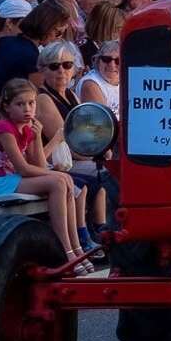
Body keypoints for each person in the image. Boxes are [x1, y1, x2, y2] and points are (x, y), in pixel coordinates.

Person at [0, 79, 89, 271]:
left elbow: (38, 165)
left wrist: (36, 137)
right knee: (59, 182)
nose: (27, 109)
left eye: (31, 103)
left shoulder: (27, 128)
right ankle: (65, 251)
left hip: (9, 179)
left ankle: (77, 248)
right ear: (7, 107)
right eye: (20, 104)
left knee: (63, 180)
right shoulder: (4, 128)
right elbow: (24, 169)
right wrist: (58, 176)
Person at [35, 40, 108, 238]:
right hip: (58, 162)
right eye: (54, 66)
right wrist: (95, 157)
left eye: (67, 65)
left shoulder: (70, 95)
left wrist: (101, 150)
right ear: (42, 70)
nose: (62, 71)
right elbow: (66, 140)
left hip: (76, 157)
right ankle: (94, 230)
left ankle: (101, 227)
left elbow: (86, 131)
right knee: (105, 173)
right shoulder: (43, 99)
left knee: (109, 169)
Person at [0, 0, 68, 98]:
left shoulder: (5, 42)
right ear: (46, 26)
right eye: (57, 33)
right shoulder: (32, 57)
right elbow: (40, 95)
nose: (58, 39)